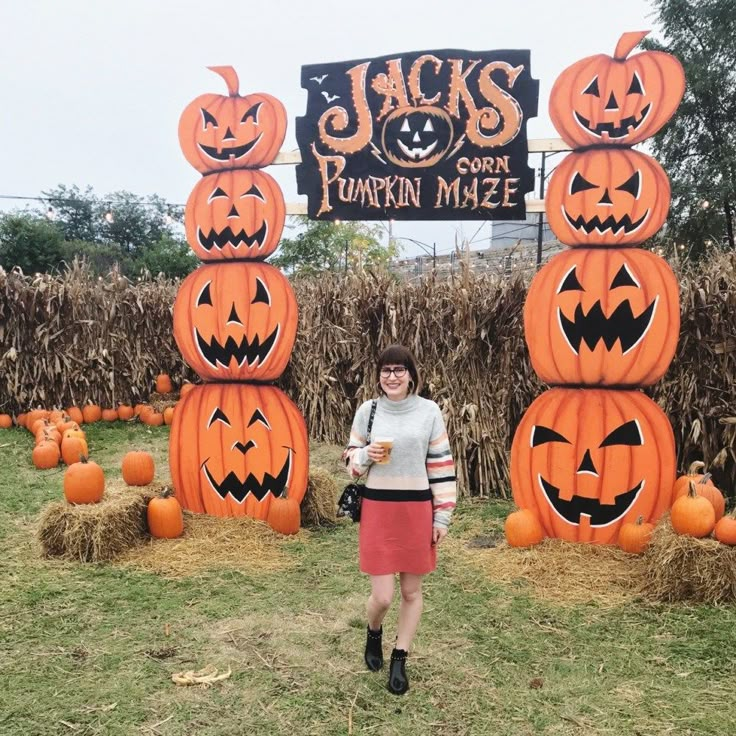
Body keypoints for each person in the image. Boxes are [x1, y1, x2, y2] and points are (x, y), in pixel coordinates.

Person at [343, 344, 457, 695]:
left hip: (416, 511)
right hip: (378, 510)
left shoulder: (429, 412)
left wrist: (442, 518)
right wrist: (366, 454)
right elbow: (350, 462)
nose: (392, 376)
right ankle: (373, 631)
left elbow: (441, 466)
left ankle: (400, 656)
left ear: (411, 375)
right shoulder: (369, 411)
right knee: (383, 597)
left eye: (399, 370)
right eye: (386, 370)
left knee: (411, 591)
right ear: (379, 376)